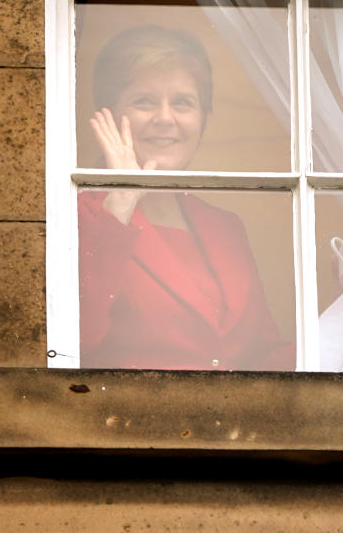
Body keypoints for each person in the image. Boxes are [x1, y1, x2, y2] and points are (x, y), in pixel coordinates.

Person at [78, 24, 292, 370]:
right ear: (110, 116)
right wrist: (119, 201)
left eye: (183, 102)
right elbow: (75, 340)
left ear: (203, 119)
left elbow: (262, 356)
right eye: (144, 101)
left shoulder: (225, 227)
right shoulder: (79, 211)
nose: (165, 118)